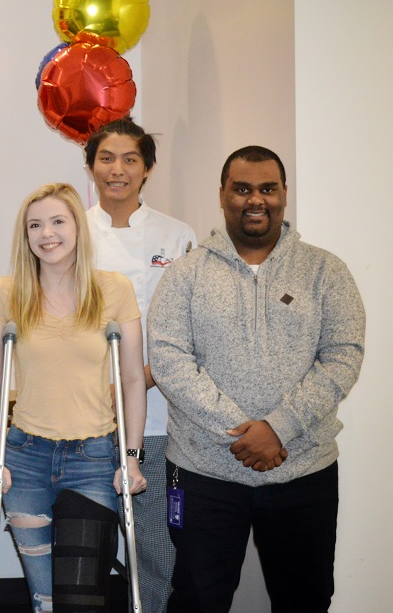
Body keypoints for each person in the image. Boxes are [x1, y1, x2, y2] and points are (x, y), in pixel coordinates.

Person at [148, 146, 365, 613]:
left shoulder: (326, 271)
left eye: (267, 189)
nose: (255, 200)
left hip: (304, 471)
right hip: (203, 472)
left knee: (306, 600)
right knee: (196, 600)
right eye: (242, 189)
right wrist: (243, 433)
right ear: (222, 195)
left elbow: (343, 358)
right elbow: (169, 360)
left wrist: (278, 428)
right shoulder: (185, 275)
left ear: (284, 194)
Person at [0, 182, 147, 613]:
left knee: (81, 600)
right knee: (45, 599)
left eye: (57, 221)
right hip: (26, 458)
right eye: (35, 225)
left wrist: (131, 456)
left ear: (77, 227)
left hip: (92, 460)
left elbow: (130, 379)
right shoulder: (6, 292)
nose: (46, 233)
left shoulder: (114, 289)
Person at [84, 117, 197, 613]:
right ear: (91, 167)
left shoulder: (177, 236)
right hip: (82, 418)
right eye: (106, 157)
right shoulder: (69, 230)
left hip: (155, 422)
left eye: (131, 159)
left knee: (156, 549)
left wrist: (138, 380)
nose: (118, 169)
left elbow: (190, 329)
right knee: (84, 548)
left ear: (147, 168)